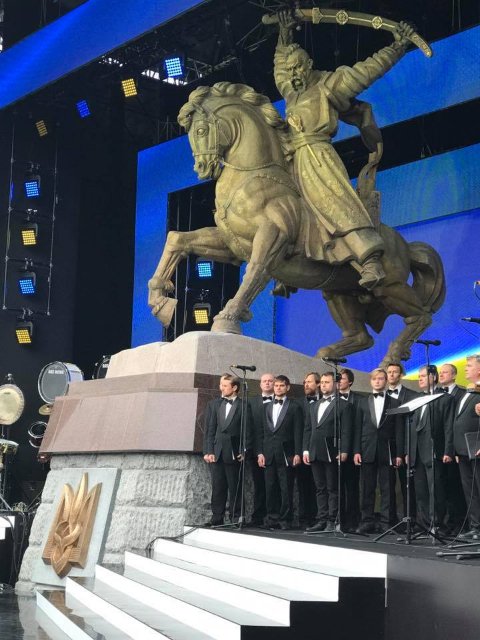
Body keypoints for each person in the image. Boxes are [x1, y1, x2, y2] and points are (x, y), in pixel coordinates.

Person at [273, 11, 414, 290]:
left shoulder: (330, 85)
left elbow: (368, 71)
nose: (293, 74)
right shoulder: (291, 91)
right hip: (293, 158)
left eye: (298, 68)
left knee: (334, 202)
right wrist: (284, 32)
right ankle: (289, 266)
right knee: (283, 207)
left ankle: (370, 259)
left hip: (318, 156)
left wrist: (398, 47)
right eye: (290, 71)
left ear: (309, 65)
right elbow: (279, 65)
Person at [354, 368, 403, 534]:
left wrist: (398, 454)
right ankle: (366, 521)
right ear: (371, 381)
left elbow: (399, 429)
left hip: (387, 450)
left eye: (381, 378)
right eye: (375, 378)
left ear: (386, 381)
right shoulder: (362, 402)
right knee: (366, 488)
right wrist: (356, 451)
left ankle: (387, 522)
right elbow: (357, 427)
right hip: (367, 449)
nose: (377, 381)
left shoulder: (395, 402)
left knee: (387, 488)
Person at [303, 371, 353, 532]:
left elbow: (346, 430)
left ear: (336, 384)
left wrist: (344, 450)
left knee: (333, 488)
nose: (324, 385)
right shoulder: (314, 405)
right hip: (314, 450)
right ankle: (322, 519)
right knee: (320, 488)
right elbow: (308, 429)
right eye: (322, 382)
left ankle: (333, 520)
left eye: (327, 382)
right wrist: (305, 450)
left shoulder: (343, 405)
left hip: (332, 451)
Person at [408, 365, 454, 532]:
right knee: (420, 490)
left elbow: (448, 426)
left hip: (434, 449)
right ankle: (425, 524)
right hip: (416, 451)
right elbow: (411, 427)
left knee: (436, 489)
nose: (419, 379)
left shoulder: (445, 398)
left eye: (422, 376)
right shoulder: (416, 398)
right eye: (418, 376)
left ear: (433, 377)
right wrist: (408, 451)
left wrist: (448, 450)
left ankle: (438, 524)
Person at [203, 374, 252, 526]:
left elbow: (247, 430)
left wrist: (244, 450)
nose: (221, 388)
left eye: (225, 385)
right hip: (217, 452)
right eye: (221, 385)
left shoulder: (243, 405)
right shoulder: (214, 404)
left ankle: (236, 518)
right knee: (218, 486)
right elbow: (210, 429)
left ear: (235, 387)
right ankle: (217, 518)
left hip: (234, 452)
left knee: (235, 486)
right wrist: (208, 451)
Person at [256, 374, 303, 530]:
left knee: (286, 488)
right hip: (268, 453)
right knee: (270, 488)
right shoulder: (266, 407)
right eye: (276, 385)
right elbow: (261, 432)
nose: (278, 388)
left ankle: (285, 520)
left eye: (281, 385)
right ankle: (271, 518)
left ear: (287, 387)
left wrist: (297, 453)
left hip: (287, 453)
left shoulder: (295, 407)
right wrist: (260, 453)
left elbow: (298, 431)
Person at [386, 362, 419, 520]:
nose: (391, 374)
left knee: (408, 486)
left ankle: (410, 520)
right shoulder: (380, 396)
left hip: (405, 445)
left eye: (395, 372)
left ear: (401, 375)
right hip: (386, 446)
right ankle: (390, 520)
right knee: (387, 486)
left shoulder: (412, 395)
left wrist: (406, 450)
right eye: (389, 372)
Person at [438, 362, 467, 532]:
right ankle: (449, 523)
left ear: (454, 375)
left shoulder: (462, 394)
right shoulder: (436, 394)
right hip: (440, 449)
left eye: (445, 372)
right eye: (440, 372)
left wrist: (452, 448)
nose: (441, 375)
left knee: (458, 487)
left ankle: (461, 523)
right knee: (445, 487)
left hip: (457, 448)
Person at [453, 355, 480, 539]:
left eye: (469, 365)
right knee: (470, 490)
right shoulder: (467, 390)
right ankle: (475, 526)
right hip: (463, 449)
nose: (465, 368)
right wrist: (456, 448)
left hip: (477, 447)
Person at [247, 373, 275, 526]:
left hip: (275, 451)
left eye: (270, 381)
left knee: (273, 486)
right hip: (255, 450)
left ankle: (273, 518)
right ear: (260, 384)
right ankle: (257, 517)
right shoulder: (251, 402)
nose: (267, 383)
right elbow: (250, 427)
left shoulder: (282, 402)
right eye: (264, 381)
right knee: (258, 485)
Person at [295, 372, 322, 526]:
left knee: (321, 485)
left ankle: (321, 517)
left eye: (310, 382)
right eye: (305, 382)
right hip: (303, 450)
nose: (306, 385)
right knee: (304, 485)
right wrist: (300, 450)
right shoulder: (297, 403)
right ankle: (305, 518)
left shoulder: (327, 401)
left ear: (318, 384)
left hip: (321, 450)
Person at [338, 368, 362, 530]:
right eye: (338, 378)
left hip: (353, 449)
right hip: (334, 451)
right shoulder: (330, 400)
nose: (339, 381)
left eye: (342, 379)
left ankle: (353, 520)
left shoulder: (359, 400)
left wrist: (355, 450)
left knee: (352, 487)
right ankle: (339, 520)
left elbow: (359, 427)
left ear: (350, 382)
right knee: (336, 488)